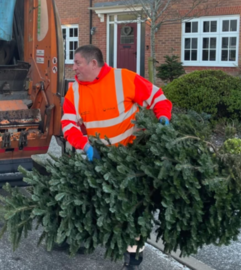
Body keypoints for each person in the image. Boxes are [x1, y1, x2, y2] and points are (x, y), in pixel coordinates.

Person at [61, 45, 172, 270]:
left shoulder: (123, 79)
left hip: (134, 160)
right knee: (90, 200)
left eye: (78, 63)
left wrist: (163, 119)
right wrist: (85, 146)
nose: (74, 68)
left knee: (134, 209)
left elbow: (158, 98)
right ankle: (79, 239)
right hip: (101, 159)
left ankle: (133, 258)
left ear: (94, 63)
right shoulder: (75, 91)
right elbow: (68, 123)